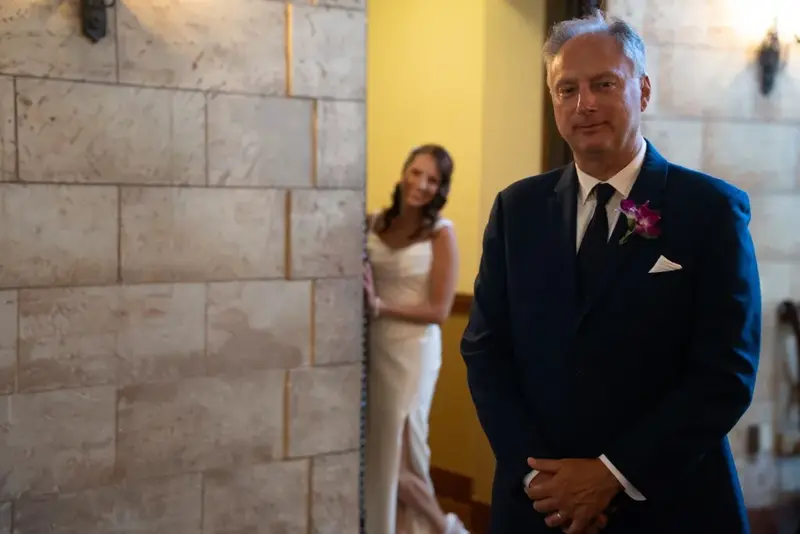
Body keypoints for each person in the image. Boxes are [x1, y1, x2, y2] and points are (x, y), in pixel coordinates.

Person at [461, 10, 761, 534]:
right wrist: (541, 480)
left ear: (642, 91)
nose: (585, 104)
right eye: (566, 89)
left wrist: (611, 475)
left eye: (604, 84)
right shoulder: (517, 210)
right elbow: (487, 351)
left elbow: (725, 371)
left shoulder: (710, 211)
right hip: (539, 507)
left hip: (668, 504)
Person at [364, 144, 470, 534]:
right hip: (375, 347)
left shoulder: (441, 233)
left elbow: (440, 311)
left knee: (405, 454)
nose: (421, 184)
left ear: (440, 189)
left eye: (432, 180)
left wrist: (380, 307)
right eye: (416, 173)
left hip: (414, 351)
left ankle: (445, 529)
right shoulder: (372, 223)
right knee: (379, 450)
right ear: (404, 172)